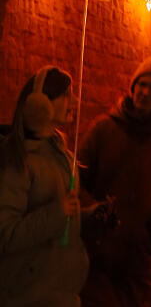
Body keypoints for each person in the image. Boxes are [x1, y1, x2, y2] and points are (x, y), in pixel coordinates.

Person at [78, 54, 151, 307]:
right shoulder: (103, 129)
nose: (145, 92)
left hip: (141, 252)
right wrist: (97, 211)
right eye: (142, 84)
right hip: (102, 247)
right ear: (132, 87)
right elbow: (75, 179)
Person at [0, 64, 89, 306]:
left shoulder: (60, 153)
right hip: (26, 296)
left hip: (59, 292)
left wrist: (89, 218)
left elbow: (63, 219)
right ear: (42, 103)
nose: (76, 101)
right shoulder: (18, 161)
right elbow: (6, 235)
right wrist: (58, 213)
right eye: (67, 95)